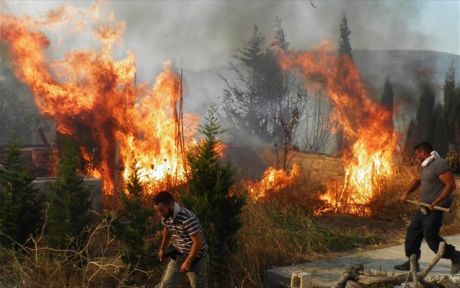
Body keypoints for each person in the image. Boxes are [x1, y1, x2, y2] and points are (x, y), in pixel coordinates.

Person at [396, 142, 460, 274]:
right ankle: (412, 262)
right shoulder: (426, 165)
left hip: (437, 207)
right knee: (413, 231)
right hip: (425, 206)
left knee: (430, 235)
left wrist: (437, 201)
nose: (416, 157)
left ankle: (456, 257)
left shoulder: (439, 164)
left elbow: (450, 185)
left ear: (423, 153)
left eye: (417, 154)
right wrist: (405, 193)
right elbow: (418, 180)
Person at [154, 191, 208, 288]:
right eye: (158, 211)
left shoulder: (187, 218)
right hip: (179, 254)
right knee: (166, 285)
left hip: (197, 258)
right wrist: (162, 249)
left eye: (161, 210)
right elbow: (167, 229)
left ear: (170, 205)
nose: (160, 214)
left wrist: (188, 261)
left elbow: (198, 243)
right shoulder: (166, 216)